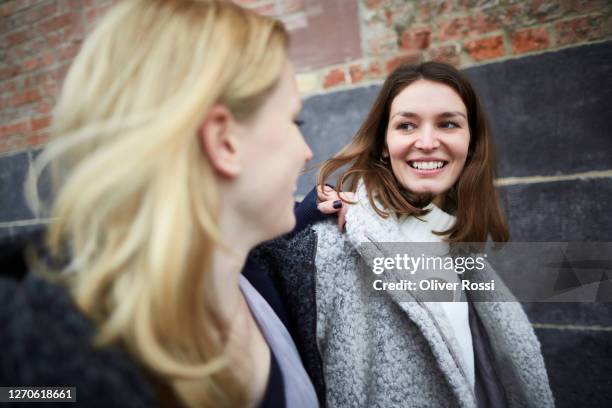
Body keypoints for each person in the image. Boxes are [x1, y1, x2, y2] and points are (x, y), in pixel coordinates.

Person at [0, 1, 322, 407]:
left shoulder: (255, 276)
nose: (306, 152)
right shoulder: (50, 364)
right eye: (295, 122)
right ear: (224, 142)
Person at [254, 61, 555, 407]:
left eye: (448, 123)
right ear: (384, 142)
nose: (427, 142)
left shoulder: (463, 254)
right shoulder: (330, 245)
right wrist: (302, 216)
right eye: (407, 125)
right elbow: (237, 270)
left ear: (471, 142)